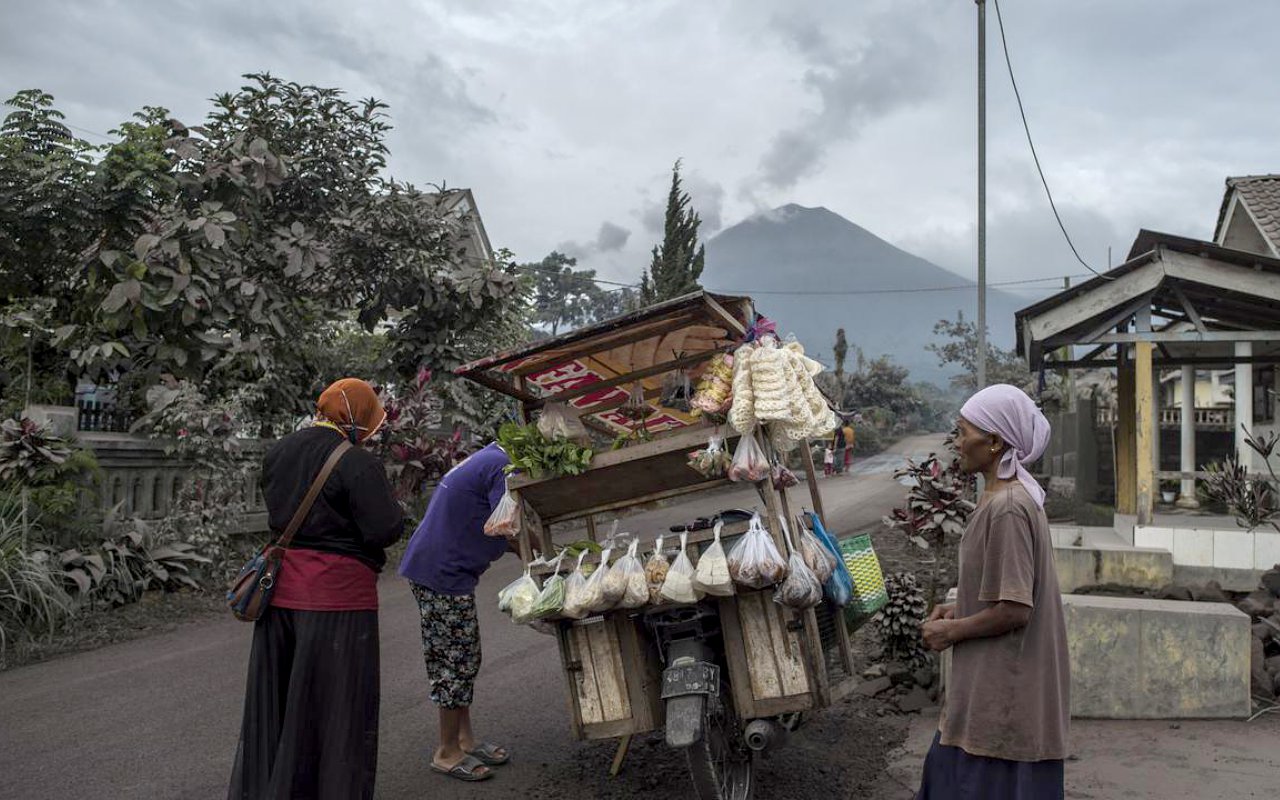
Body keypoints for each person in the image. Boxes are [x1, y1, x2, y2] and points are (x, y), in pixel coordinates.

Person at [229, 378, 404, 800]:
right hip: (338, 602)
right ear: (357, 416)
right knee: (337, 712)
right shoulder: (357, 463)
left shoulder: (279, 452)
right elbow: (384, 529)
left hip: (281, 597)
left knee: (282, 709)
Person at [916, 384, 1069, 800]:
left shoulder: (1009, 509)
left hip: (1003, 696)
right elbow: (1004, 589)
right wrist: (959, 608)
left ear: (996, 441)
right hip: (990, 691)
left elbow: (1016, 609)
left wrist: (953, 632)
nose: (958, 441)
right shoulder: (1004, 499)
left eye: (964, 431)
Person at [399, 440, 528, 782]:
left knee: (463, 655)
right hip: (442, 571)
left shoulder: (492, 456)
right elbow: (506, 526)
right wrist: (540, 555)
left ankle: (464, 740)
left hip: (441, 567)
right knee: (454, 660)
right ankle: (446, 751)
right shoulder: (504, 468)